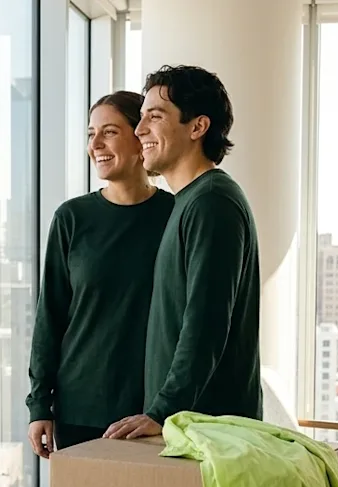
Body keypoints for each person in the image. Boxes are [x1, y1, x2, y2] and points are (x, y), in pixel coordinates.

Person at [105, 65, 261, 440]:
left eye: (154, 117)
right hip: (191, 429)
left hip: (209, 435)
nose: (140, 130)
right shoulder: (189, 202)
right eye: (140, 118)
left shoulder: (211, 203)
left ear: (197, 127)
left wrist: (162, 410)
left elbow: (205, 325)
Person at [26, 91, 176, 456]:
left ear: (140, 137)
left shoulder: (178, 215)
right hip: (81, 407)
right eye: (90, 133)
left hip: (157, 410)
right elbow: (50, 317)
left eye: (109, 131)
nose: (95, 144)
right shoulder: (72, 218)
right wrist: (38, 406)